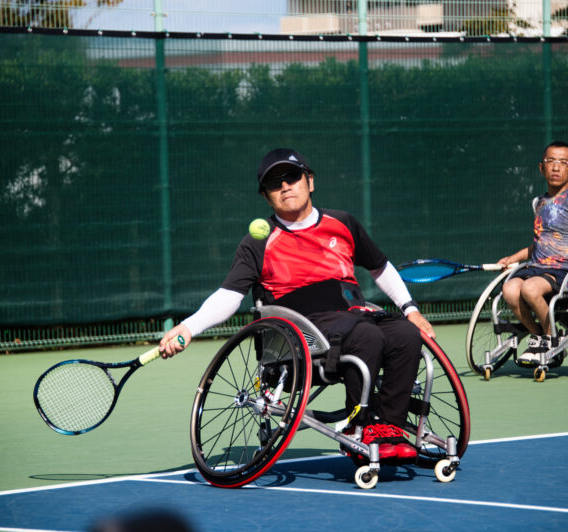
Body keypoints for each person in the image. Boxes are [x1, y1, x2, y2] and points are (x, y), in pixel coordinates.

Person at [160, 148, 435, 463]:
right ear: (266, 197)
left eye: (292, 177)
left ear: (310, 181)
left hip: (354, 317)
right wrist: (189, 327)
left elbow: (380, 267)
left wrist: (411, 310)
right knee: (366, 336)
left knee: (405, 334)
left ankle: (388, 429)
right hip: (301, 334)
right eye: (274, 184)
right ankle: (359, 426)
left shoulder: (343, 223)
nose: (285, 186)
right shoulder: (258, 243)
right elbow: (229, 295)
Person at [497, 141, 568, 364]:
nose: (556, 167)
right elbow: (540, 243)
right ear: (541, 167)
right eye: (550, 161)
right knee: (509, 290)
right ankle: (540, 335)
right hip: (537, 267)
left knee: (530, 288)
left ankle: (550, 338)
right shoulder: (539, 202)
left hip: (566, 270)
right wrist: (512, 258)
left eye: (563, 163)